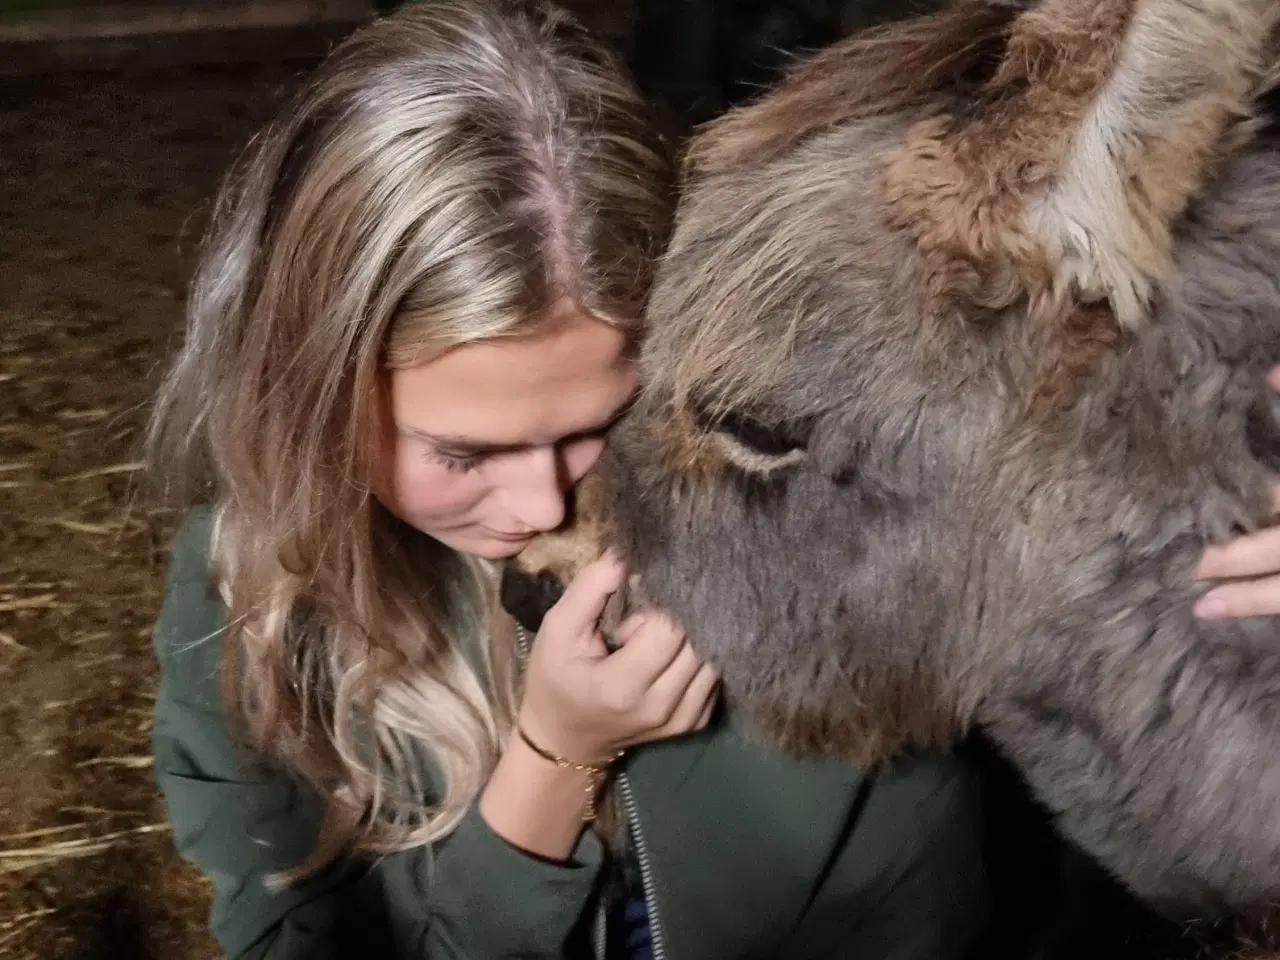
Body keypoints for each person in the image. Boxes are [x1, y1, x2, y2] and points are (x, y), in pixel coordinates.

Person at [145, 2, 1280, 958]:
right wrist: (551, 763)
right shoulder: (241, 597)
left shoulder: (786, 477)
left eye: (599, 424)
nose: (545, 509)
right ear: (308, 401)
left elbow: (1054, 478)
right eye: (462, 453)